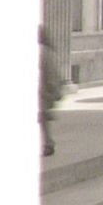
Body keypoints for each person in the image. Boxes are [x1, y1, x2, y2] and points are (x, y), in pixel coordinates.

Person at [39, 26, 63, 156]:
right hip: (42, 92)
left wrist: (53, 89)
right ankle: (48, 143)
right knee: (43, 119)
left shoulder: (43, 52)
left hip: (41, 92)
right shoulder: (47, 51)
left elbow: (51, 72)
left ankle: (48, 143)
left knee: (43, 119)